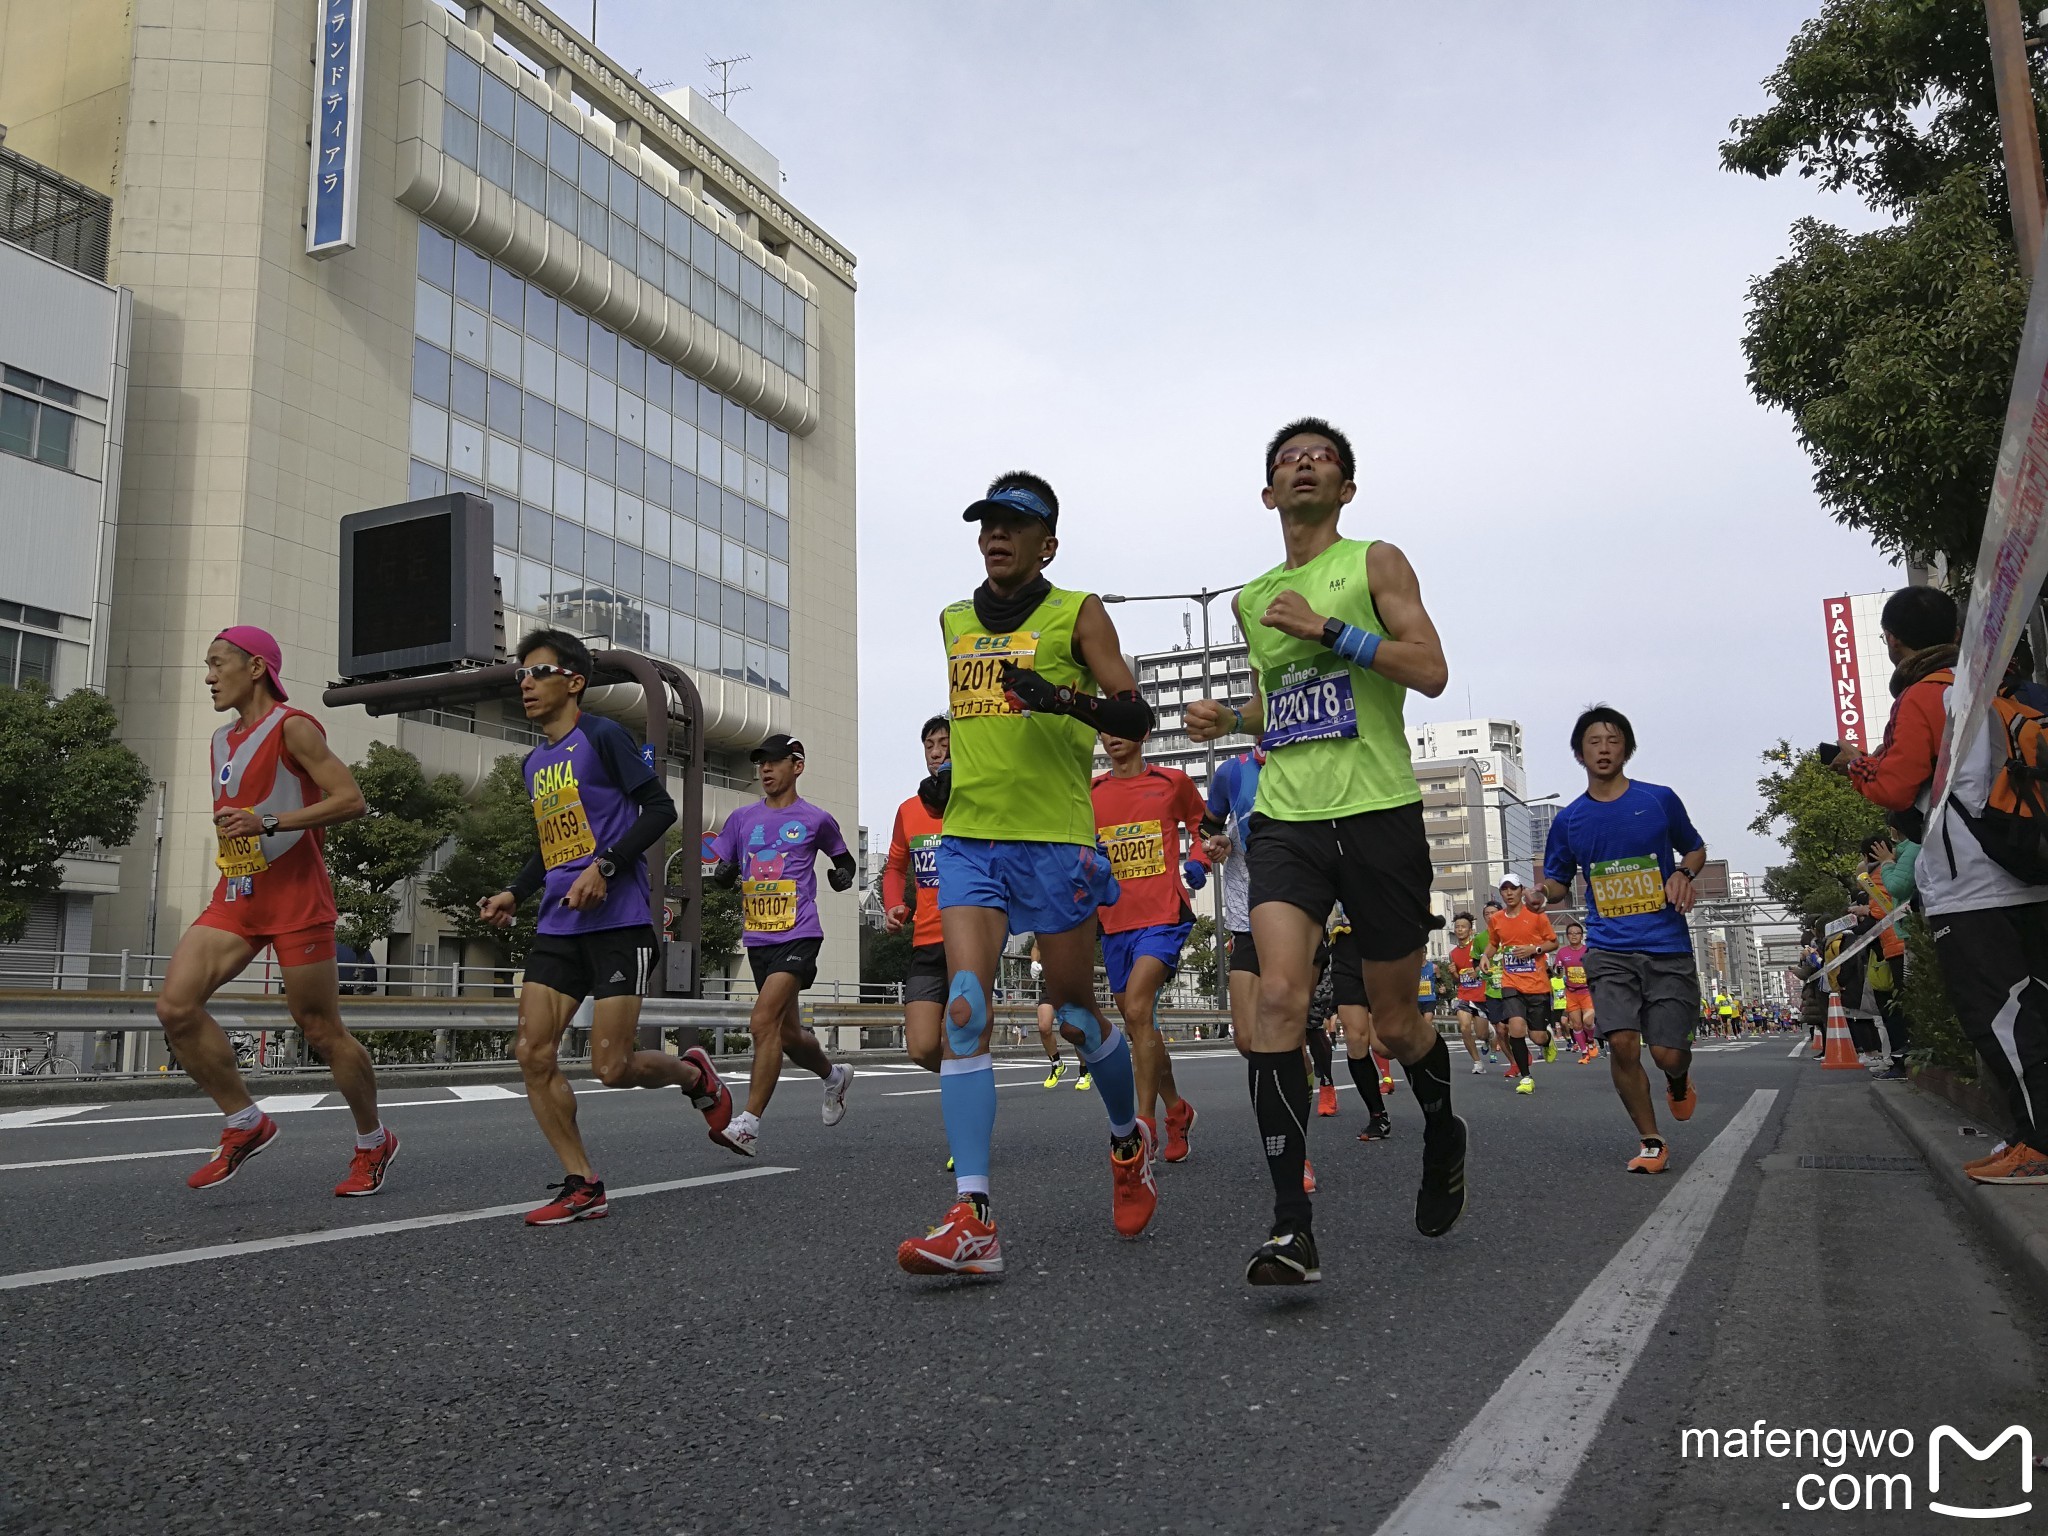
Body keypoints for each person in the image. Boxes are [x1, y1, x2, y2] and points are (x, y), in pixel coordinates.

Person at [1186, 417, 1466, 1287]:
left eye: (1322, 460)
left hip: (1379, 812)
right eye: (1287, 462)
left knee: (1392, 1022)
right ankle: (1290, 1228)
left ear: (1346, 488)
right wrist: (1234, 719)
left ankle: (1444, 1128)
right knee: (1276, 999)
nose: (1304, 467)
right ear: (1268, 493)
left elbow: (1429, 669)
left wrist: (1329, 632)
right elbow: (1289, 705)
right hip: (1289, 820)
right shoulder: (1252, 596)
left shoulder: (1376, 562)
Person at [896, 471, 1159, 1278]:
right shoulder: (952, 619)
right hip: (973, 840)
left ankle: (1128, 1142)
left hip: (1054, 841)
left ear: (1047, 543)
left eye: (1015, 525)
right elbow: (976, 729)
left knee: (1077, 1017)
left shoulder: (1075, 611)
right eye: (986, 524)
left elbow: (1134, 714)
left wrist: (1060, 699)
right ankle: (974, 1218)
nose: (995, 536)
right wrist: (948, 782)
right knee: (965, 1010)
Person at [477, 631, 732, 1223]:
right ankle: (581, 1182)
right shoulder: (534, 763)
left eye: (538, 671)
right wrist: (516, 891)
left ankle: (695, 1077)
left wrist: (607, 866)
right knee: (532, 1053)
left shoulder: (603, 736)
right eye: (521, 674)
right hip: (559, 925)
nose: (525, 683)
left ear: (574, 681)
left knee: (612, 1067)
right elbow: (554, 845)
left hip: (617, 922)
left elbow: (661, 810)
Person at [157, 626, 397, 1196]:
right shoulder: (220, 740)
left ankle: (373, 1140)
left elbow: (351, 800)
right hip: (237, 895)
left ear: (257, 667)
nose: (210, 676)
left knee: (319, 1027)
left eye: (218, 664)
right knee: (175, 1007)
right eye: (207, 666)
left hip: (295, 900)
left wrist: (268, 822)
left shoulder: (293, 726)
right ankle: (245, 1122)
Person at [1832, 583, 2048, 1183]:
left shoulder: (1927, 696)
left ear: (1894, 641)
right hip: (2030, 863)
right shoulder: (2000, 684)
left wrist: (1852, 763)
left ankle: (2040, 1147)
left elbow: (1895, 788)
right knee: (2035, 1006)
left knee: (2000, 1015)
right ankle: (2027, 1136)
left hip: (1973, 881)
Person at [1540, 706, 1705, 1174]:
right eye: (1594, 741)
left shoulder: (1658, 800)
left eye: (1613, 740)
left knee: (1667, 1052)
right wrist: (1540, 895)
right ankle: (1651, 1140)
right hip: (1609, 948)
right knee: (1624, 1044)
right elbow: (1557, 881)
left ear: (1627, 748)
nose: (1604, 748)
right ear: (1580, 753)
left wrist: (1683, 872)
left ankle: (1678, 1078)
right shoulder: (1569, 820)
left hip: (1666, 945)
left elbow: (1694, 846)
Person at [704, 733, 859, 1156]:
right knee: (788, 1034)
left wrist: (841, 877)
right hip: (758, 937)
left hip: (800, 932)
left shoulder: (815, 819)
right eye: (761, 763)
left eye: (774, 762)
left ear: (797, 766)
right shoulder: (741, 819)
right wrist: (722, 874)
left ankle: (749, 1124)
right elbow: (727, 864)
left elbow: (844, 861)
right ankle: (834, 1077)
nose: (765, 770)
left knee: (761, 1022)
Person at [1092, 731, 1210, 1160]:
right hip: (1114, 920)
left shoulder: (1172, 782)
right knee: (1141, 1025)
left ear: (1141, 733)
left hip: (1163, 916)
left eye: (1120, 729)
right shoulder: (1092, 793)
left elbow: (1203, 824)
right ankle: (1177, 1109)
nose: (1111, 738)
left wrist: (1199, 860)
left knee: (1140, 1011)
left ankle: (1144, 1128)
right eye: (1104, 730)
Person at [884, 716, 954, 1073]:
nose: (937, 753)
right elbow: (895, 866)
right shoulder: (909, 811)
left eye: (944, 743)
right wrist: (895, 904)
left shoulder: (974, 801)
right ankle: (965, 1079)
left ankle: (967, 1096)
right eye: (930, 746)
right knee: (922, 1047)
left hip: (969, 936)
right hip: (926, 938)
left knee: (961, 1035)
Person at [1204, 746, 1266, 1051]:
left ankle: (1313, 1084)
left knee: (1287, 1030)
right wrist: (1217, 844)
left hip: (1299, 916)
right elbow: (1208, 826)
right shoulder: (1233, 771)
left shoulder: (1312, 758)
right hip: (1248, 921)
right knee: (1246, 1040)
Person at [1489, 874, 1558, 1094]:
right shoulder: (1497, 919)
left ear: (1521, 890)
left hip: (1537, 984)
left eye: (1513, 888)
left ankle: (1547, 1039)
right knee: (1516, 1027)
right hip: (1511, 982)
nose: (1509, 893)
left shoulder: (1536, 915)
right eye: (1504, 889)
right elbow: (1493, 944)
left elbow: (1553, 942)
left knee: (1536, 1036)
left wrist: (1534, 950)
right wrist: (1485, 956)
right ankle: (1526, 1076)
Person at [1448, 913, 1492, 1074]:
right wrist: (1453, 973)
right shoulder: (1452, 953)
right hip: (1464, 995)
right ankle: (1477, 1062)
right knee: (1464, 1027)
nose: (1459, 930)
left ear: (1470, 930)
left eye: (1463, 927)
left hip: (1480, 994)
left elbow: (1488, 965)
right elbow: (1458, 981)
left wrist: (1478, 971)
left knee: (1481, 1034)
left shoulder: (1478, 945)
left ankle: (1488, 1037)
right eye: (1457, 927)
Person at [1557, 920, 1597, 1062]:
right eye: (1571, 934)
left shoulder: (1588, 950)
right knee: (1576, 1025)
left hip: (1587, 992)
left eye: (1577, 933)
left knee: (1587, 1021)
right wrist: (1556, 971)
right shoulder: (1562, 952)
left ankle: (1591, 1039)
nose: (1574, 936)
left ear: (1582, 935)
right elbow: (1558, 973)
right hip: (1571, 992)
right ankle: (1584, 1052)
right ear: (1567, 936)